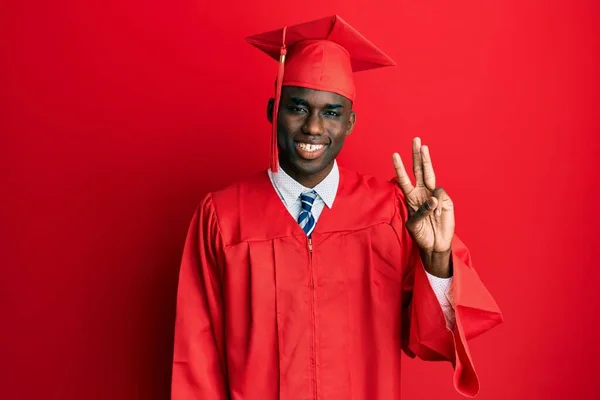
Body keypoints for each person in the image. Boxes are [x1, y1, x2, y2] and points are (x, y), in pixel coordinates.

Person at [171, 15, 502, 400]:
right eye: (297, 107)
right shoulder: (224, 218)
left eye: (331, 112)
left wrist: (437, 258)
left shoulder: (388, 212)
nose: (313, 127)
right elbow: (197, 359)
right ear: (272, 111)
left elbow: (429, 338)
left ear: (350, 123)